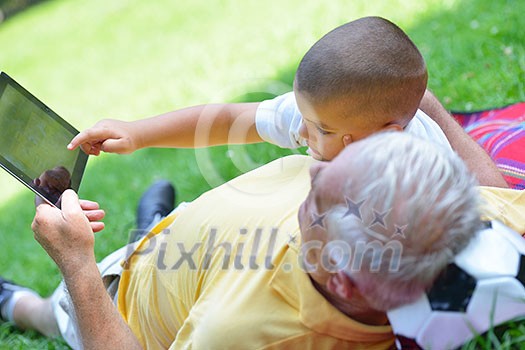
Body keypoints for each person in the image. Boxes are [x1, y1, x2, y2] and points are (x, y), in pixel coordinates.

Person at [1, 132, 523, 349]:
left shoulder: (240, 333)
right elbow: (497, 194)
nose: (315, 174)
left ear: (338, 277)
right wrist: (424, 104)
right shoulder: (450, 208)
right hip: (193, 248)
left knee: (53, 312)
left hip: (124, 297)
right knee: (164, 231)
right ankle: (153, 223)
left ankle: (13, 302)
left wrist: (78, 263)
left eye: (315, 204)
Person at [67, 16, 507, 188]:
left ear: (387, 137)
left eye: (325, 131)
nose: (303, 132)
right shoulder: (327, 113)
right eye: (307, 119)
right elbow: (226, 119)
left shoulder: (422, 173)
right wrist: (138, 133)